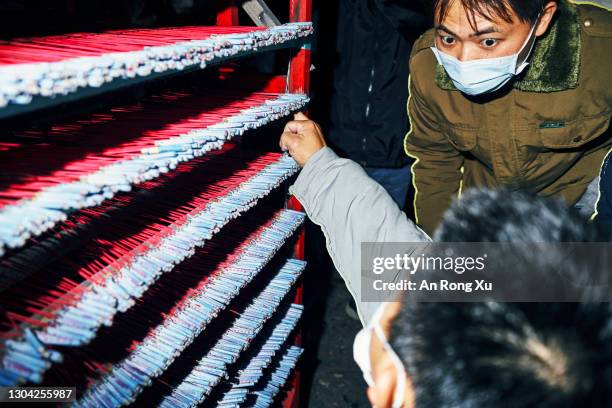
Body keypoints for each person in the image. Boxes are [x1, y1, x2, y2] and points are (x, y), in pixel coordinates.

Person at [404, 0, 612, 235]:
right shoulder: (427, 63)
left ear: (542, 19)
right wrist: (443, 246)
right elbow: (435, 160)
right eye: (449, 39)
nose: (464, 60)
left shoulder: (603, 53)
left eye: (488, 41)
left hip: (580, 207)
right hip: (488, 213)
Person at [324, 0, 428, 209]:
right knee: (335, 238)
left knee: (383, 239)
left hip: (392, 158)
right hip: (339, 154)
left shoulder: (422, 13)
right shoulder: (341, 10)